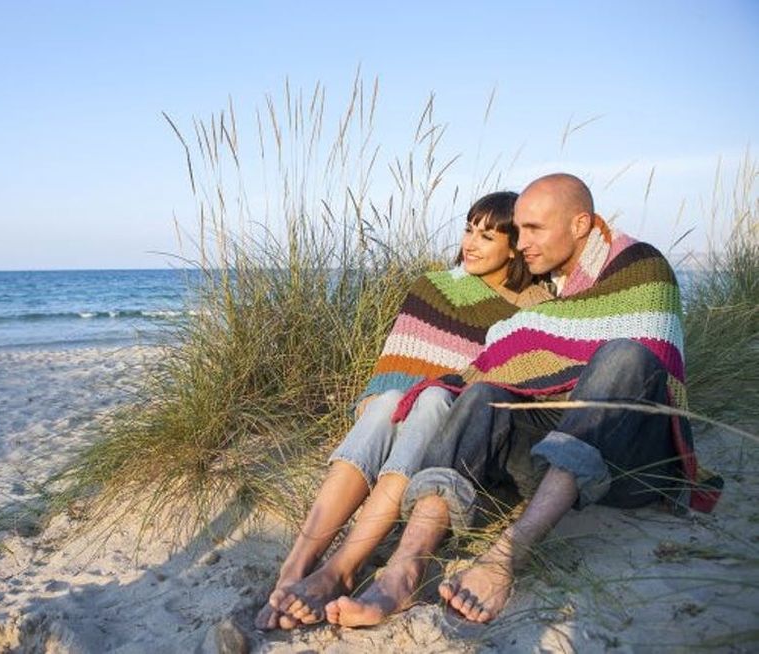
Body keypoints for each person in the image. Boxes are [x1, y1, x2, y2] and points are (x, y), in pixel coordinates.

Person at [306, 173, 723, 629]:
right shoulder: (547, 291)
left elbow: (647, 358)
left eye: (534, 229)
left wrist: (549, 343)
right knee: (481, 391)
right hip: (552, 457)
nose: (521, 242)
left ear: (581, 224)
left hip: (632, 460)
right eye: (518, 229)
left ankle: (504, 558)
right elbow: (513, 350)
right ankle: (406, 566)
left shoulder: (640, 266)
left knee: (625, 354)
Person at [256, 191, 552, 630]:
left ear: (515, 246)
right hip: (399, 417)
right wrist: (386, 403)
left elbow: (507, 384)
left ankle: (342, 566)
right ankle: (297, 564)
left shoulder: (532, 306)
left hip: (454, 438)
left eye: (487, 236)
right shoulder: (432, 287)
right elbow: (395, 368)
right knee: (391, 402)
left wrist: (427, 394)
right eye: (468, 229)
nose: (470, 242)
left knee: (431, 398)